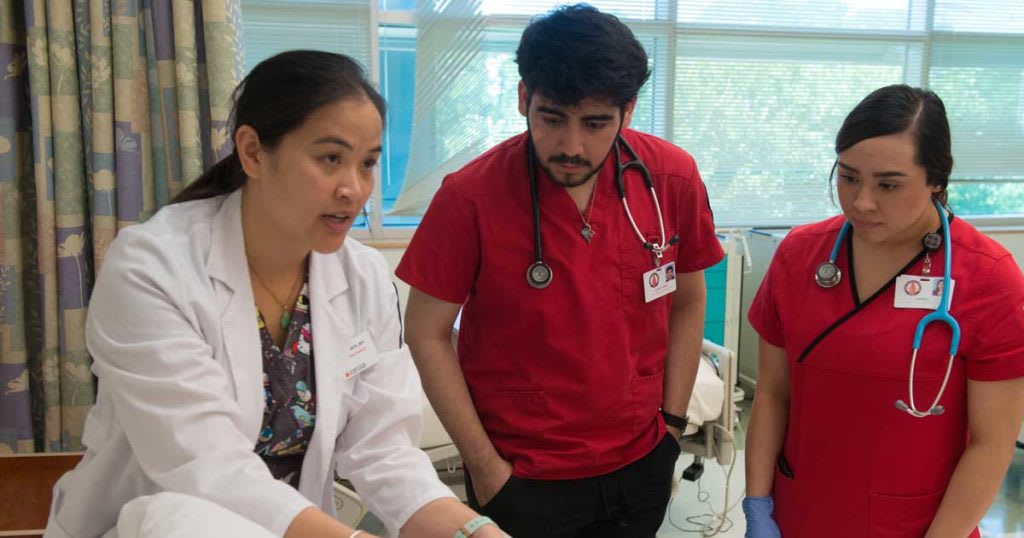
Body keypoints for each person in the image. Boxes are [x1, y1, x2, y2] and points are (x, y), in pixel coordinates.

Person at [44, 51, 503, 538]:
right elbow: (206, 464)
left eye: (367, 163)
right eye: (331, 158)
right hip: (152, 525)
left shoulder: (362, 277)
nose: (354, 188)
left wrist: (472, 529)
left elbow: (383, 451)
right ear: (254, 152)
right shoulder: (152, 268)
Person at [396, 5, 723, 537]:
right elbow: (426, 332)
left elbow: (687, 299)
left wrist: (671, 427)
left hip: (641, 458)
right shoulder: (470, 196)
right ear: (524, 97)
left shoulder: (671, 179)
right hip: (522, 475)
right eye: (552, 118)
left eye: (596, 124)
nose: (572, 146)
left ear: (628, 110)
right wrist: (483, 464)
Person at [743, 85, 1024, 537]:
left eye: (889, 185)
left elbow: (992, 445)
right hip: (801, 514)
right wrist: (758, 505)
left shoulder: (988, 280)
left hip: (921, 526)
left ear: (937, 178)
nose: (862, 202)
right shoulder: (800, 256)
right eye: (849, 177)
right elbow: (774, 393)